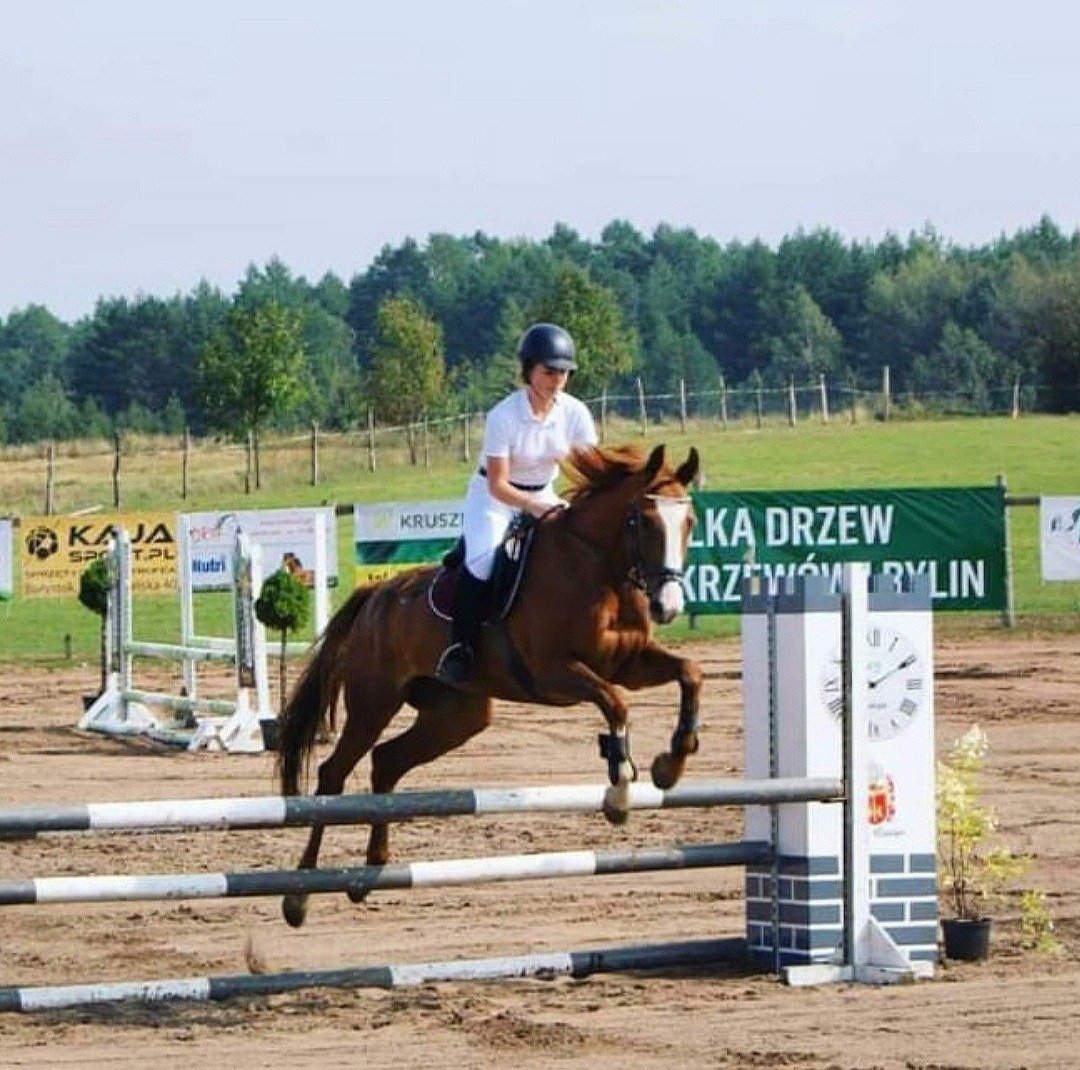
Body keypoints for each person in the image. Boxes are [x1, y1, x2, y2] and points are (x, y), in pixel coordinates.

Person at [435, 322, 598, 685]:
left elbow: (588, 471)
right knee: (484, 561)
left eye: (563, 373)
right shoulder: (503, 416)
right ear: (529, 371)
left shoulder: (575, 413)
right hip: (494, 498)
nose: (556, 380)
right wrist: (536, 508)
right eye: (548, 371)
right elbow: (498, 484)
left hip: (543, 491)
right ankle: (460, 649)